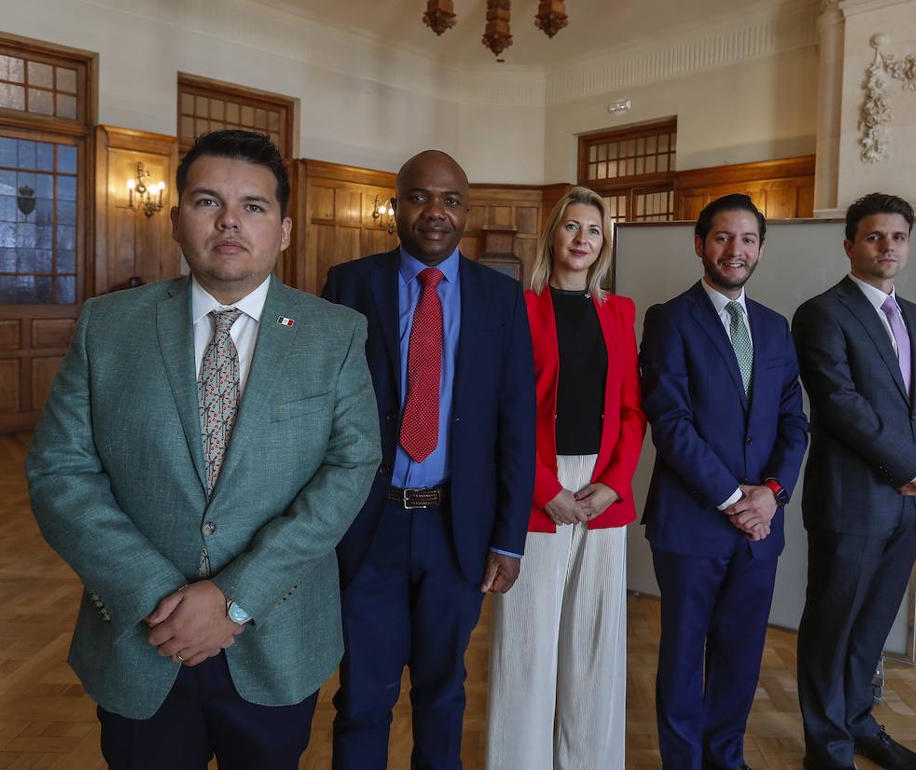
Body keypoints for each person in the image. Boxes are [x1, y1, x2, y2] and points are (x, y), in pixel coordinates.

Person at [25, 129, 381, 768]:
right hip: (142, 639)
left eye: (254, 206)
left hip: (277, 636)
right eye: (207, 201)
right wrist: (163, 600)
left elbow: (351, 465)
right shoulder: (107, 326)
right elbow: (60, 472)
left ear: (285, 229)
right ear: (175, 218)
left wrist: (233, 597)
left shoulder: (336, 334)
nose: (229, 223)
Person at [321, 149, 536, 770]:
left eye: (450, 200)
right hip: (369, 528)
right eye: (419, 196)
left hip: (457, 530)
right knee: (363, 696)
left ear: (465, 211)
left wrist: (510, 539)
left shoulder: (501, 298)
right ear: (395, 206)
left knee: (443, 694)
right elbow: (320, 408)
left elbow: (516, 424)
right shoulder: (349, 284)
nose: (434, 212)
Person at [792, 192, 916, 770]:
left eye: (897, 237)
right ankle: (829, 748)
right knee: (831, 630)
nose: (887, 247)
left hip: (909, 508)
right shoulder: (821, 314)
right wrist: (913, 466)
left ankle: (860, 723)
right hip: (851, 503)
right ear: (849, 246)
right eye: (874, 236)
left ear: (908, 246)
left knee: (870, 633)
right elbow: (840, 405)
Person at [639, 193, 809, 770]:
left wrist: (771, 495)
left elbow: (794, 423)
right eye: (722, 238)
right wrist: (736, 498)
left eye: (747, 240)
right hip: (691, 524)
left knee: (740, 657)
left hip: (761, 528)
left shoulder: (775, 327)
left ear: (761, 248)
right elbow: (671, 423)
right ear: (700, 245)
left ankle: (726, 761)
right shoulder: (668, 319)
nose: (735, 250)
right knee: (685, 657)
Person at [484, 186, 646, 770]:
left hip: (603, 490)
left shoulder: (620, 311)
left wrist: (615, 483)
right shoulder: (518, 308)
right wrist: (544, 490)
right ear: (552, 234)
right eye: (573, 227)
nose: (582, 239)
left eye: (594, 230)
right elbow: (503, 414)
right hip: (537, 492)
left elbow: (632, 409)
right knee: (527, 647)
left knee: (597, 643)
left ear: (605, 243)